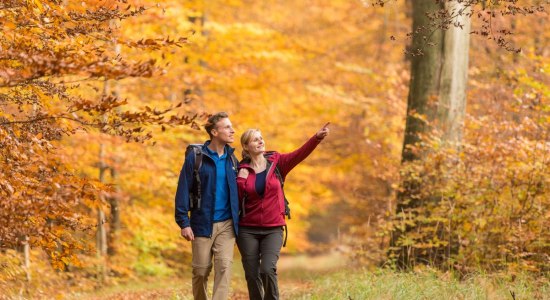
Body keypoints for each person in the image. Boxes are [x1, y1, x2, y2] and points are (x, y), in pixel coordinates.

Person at [236, 123, 330, 300]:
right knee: (251, 273)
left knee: (267, 269)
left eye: (261, 138)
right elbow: (237, 200)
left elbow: (299, 154)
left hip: (273, 228)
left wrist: (316, 138)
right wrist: (241, 180)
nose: (260, 141)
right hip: (247, 229)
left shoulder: (277, 162)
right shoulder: (241, 170)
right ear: (246, 146)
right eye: (255, 139)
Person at [174, 112, 240, 300]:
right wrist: (183, 222)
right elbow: (183, 190)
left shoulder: (233, 160)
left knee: (224, 268)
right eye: (227, 127)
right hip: (201, 223)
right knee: (201, 271)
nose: (232, 130)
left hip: (227, 224)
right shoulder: (196, 158)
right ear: (214, 132)